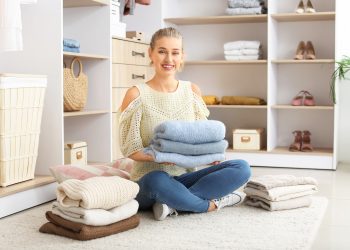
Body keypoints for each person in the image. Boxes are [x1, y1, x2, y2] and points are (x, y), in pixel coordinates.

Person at [118, 27, 251, 221]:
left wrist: (208, 155)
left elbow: (203, 139)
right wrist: (159, 157)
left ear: (182, 57)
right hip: (149, 182)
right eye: (162, 51)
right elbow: (129, 149)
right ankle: (209, 204)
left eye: (175, 53)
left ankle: (173, 203)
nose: (168, 59)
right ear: (151, 54)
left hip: (185, 179)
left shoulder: (192, 91)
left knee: (242, 167)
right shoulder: (136, 94)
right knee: (157, 179)